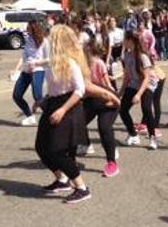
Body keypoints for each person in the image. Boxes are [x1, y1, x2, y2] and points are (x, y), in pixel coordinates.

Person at [34, 25, 93, 204]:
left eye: (52, 38)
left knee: (57, 150)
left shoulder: (70, 62)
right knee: (41, 147)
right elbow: (54, 87)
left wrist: (62, 110)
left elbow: (80, 90)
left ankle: (82, 188)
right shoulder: (54, 61)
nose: (49, 40)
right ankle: (62, 180)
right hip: (53, 103)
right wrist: (42, 100)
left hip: (68, 106)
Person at [82, 41, 122, 177]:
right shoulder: (81, 66)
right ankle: (84, 146)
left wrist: (114, 99)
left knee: (104, 127)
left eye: (84, 51)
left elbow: (107, 85)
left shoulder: (98, 63)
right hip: (91, 99)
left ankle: (112, 163)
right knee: (77, 122)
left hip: (107, 98)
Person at [120, 30, 159, 150]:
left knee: (146, 109)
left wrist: (138, 95)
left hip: (146, 85)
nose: (124, 42)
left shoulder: (143, 56)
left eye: (125, 39)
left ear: (130, 41)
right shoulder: (127, 55)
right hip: (133, 84)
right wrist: (121, 91)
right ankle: (133, 134)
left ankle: (152, 137)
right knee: (122, 109)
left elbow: (147, 78)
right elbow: (127, 76)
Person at [12, 21, 49, 126]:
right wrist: (16, 69)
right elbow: (24, 56)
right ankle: (30, 116)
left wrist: (36, 63)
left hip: (38, 70)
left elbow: (50, 59)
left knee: (37, 96)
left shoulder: (45, 42)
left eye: (29, 30)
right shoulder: (28, 40)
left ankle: (50, 113)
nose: (27, 32)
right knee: (17, 95)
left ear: (35, 30)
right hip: (26, 70)